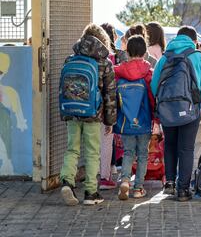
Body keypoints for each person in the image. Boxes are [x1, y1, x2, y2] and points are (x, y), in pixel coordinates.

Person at [151, 26, 201, 202]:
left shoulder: (164, 58)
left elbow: (154, 85)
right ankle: (183, 190)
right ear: (194, 41)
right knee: (186, 148)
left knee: (170, 145)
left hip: (167, 110)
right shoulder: (199, 57)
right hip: (190, 109)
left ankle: (170, 183)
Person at [60, 23, 116, 206]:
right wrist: (110, 120)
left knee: (72, 149)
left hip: (72, 112)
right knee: (92, 152)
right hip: (94, 114)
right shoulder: (104, 63)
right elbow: (110, 93)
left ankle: (67, 181)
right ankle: (91, 193)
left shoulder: (71, 59)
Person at [114, 35, 158, 200]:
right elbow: (153, 98)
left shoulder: (118, 71)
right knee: (143, 154)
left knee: (128, 152)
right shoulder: (148, 73)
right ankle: (138, 188)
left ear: (128, 51)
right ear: (145, 52)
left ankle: (125, 180)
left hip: (125, 121)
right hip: (145, 121)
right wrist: (156, 119)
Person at [98, 23, 128, 190]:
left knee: (98, 140)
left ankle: (99, 173)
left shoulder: (95, 56)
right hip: (115, 102)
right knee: (109, 140)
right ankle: (106, 175)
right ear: (114, 38)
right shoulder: (118, 56)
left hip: (95, 103)